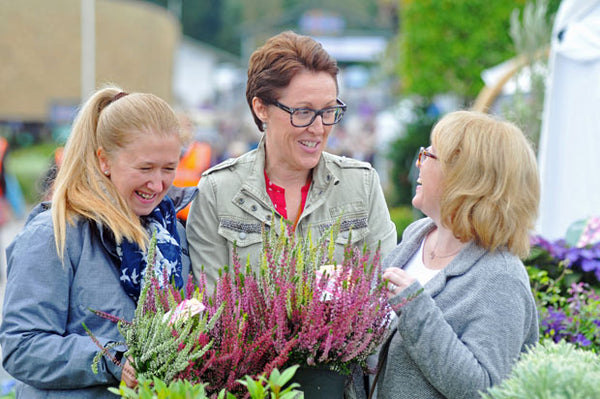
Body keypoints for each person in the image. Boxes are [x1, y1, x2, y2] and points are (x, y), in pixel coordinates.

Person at [0, 86, 196, 398]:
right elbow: (20, 347)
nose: (158, 183)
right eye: (144, 168)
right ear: (104, 160)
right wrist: (114, 358)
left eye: (168, 168)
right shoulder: (54, 234)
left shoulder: (175, 235)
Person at [186, 30, 397, 291]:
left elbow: (383, 295)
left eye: (329, 110)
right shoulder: (217, 192)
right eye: (304, 112)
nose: (319, 128)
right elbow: (214, 308)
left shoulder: (362, 184)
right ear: (261, 108)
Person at [374, 110, 540, 398]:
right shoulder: (417, 236)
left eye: (429, 155)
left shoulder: (501, 277)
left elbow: (485, 390)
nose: (419, 164)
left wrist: (416, 309)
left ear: (466, 177)